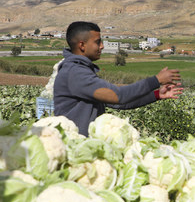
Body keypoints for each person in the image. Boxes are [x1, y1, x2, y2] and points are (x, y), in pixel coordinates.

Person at [53, 21, 183, 136]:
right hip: (74, 149)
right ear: (82, 45)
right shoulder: (75, 73)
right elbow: (119, 96)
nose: (102, 46)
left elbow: (119, 102)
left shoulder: (81, 71)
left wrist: (156, 94)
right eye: (97, 42)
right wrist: (155, 80)